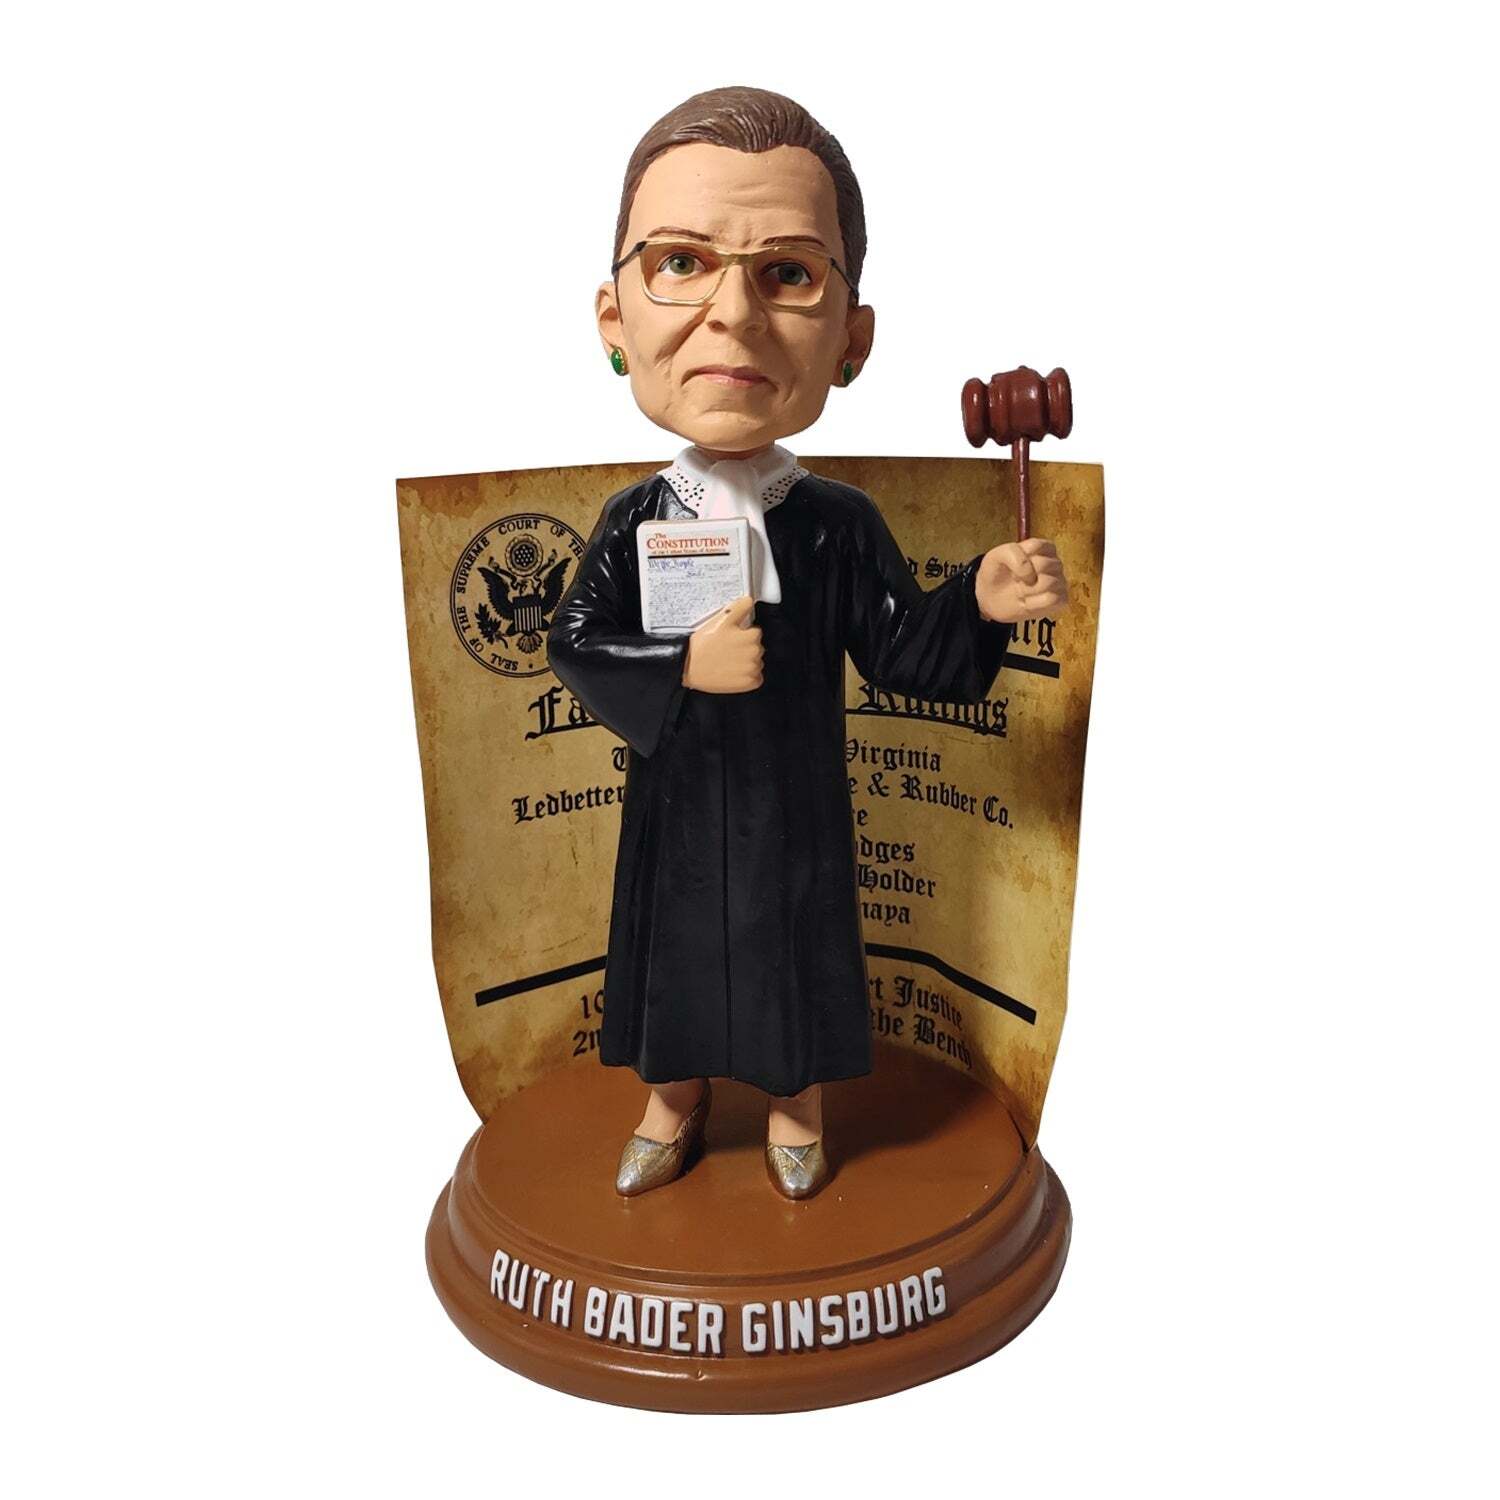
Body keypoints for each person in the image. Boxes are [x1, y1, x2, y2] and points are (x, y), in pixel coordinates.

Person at [546, 87, 1068, 1200]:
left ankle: (796, 1110)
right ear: (613, 319)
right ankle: (672, 1101)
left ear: (851, 340)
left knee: (794, 951)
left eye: (787, 272)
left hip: (797, 815)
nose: (732, 315)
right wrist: (679, 668)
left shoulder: (836, 525)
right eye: (680, 263)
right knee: (676, 949)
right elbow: (576, 641)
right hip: (677, 812)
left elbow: (901, 651)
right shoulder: (637, 520)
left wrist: (977, 599)